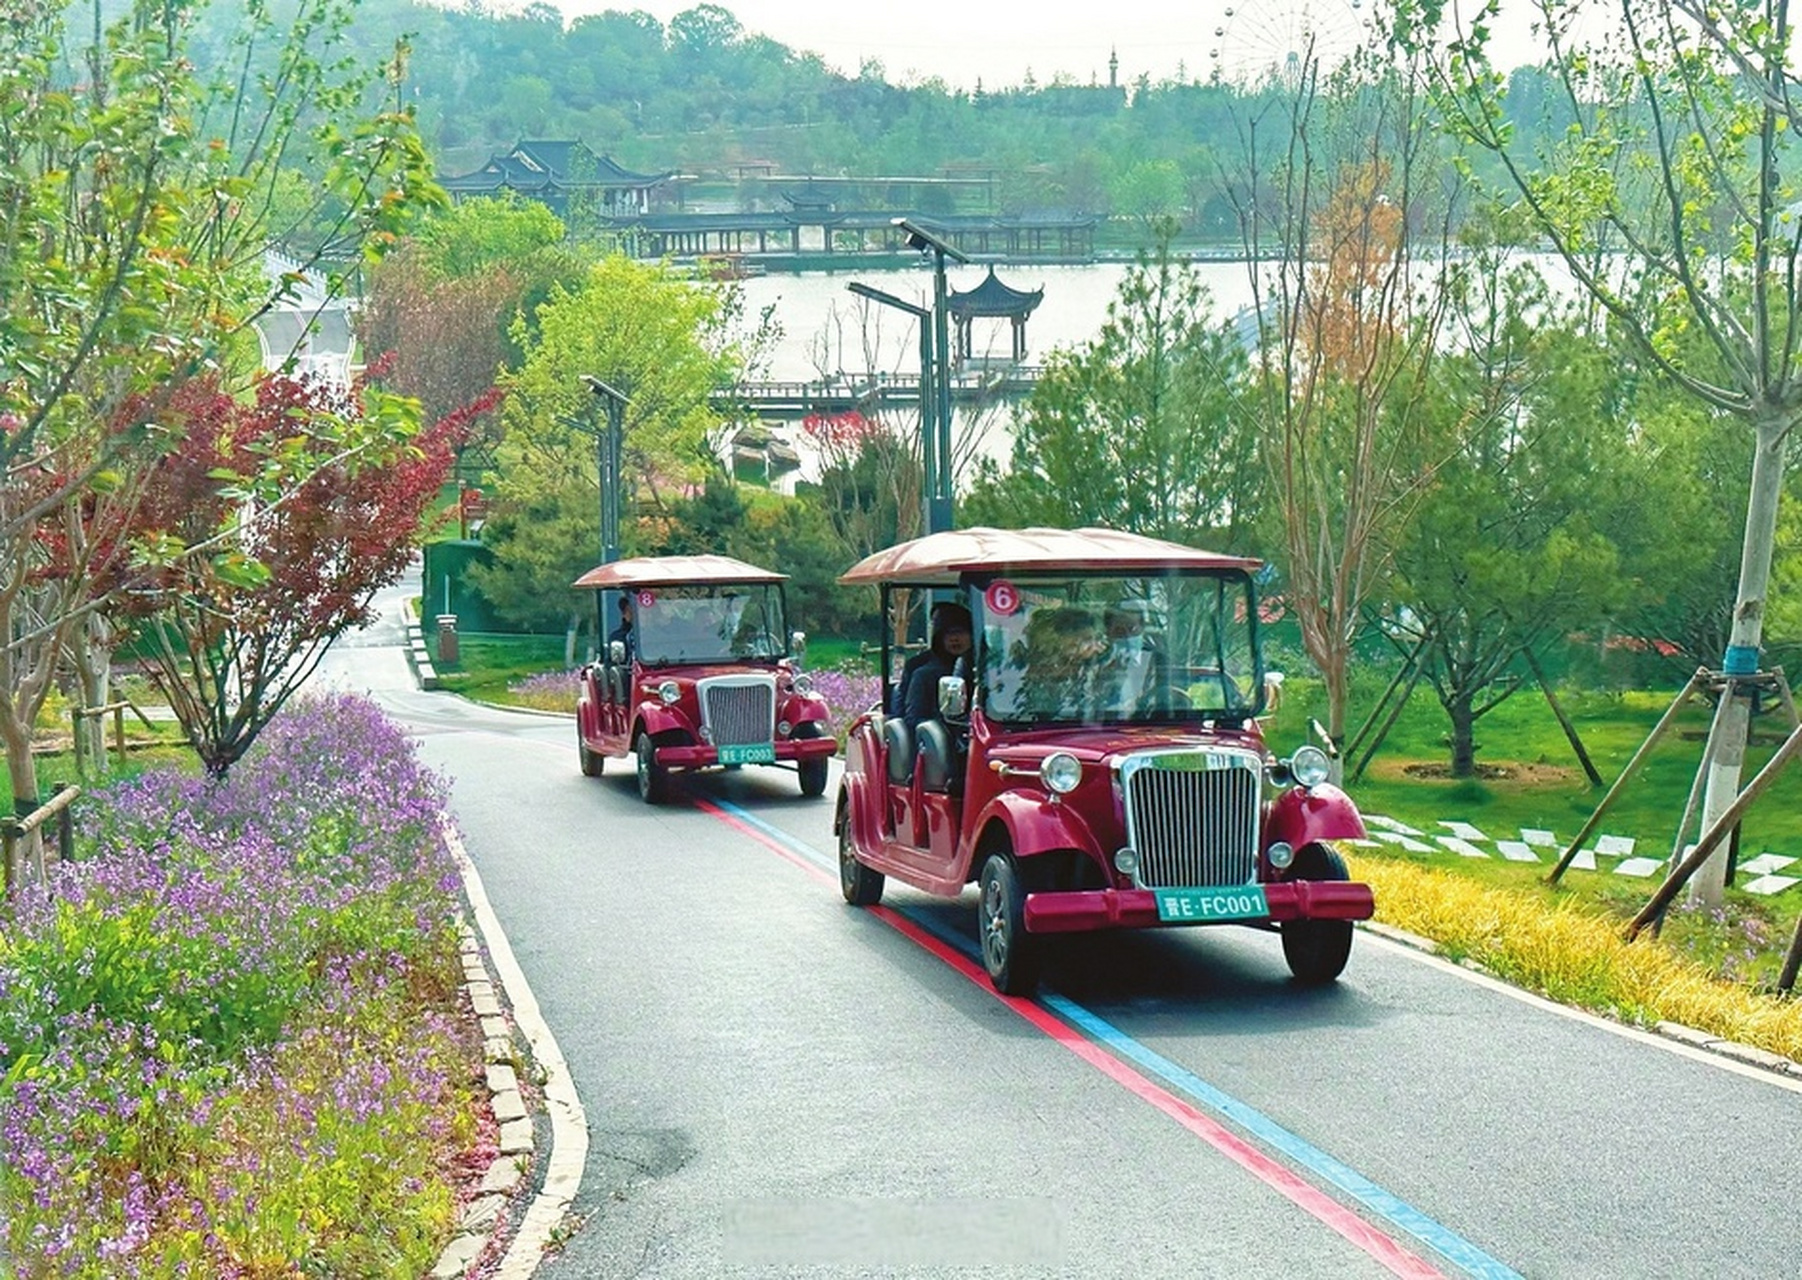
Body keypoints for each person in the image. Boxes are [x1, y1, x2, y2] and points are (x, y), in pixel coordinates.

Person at [1014, 607, 1107, 720]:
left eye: (1096, 639)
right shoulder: (1038, 675)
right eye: (1087, 640)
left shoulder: (1092, 668)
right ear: (1068, 642)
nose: (1098, 648)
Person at [900, 603, 973, 732]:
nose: (954, 639)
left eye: (960, 632)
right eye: (948, 634)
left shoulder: (987, 672)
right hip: (940, 742)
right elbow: (913, 720)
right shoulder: (924, 675)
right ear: (939, 638)